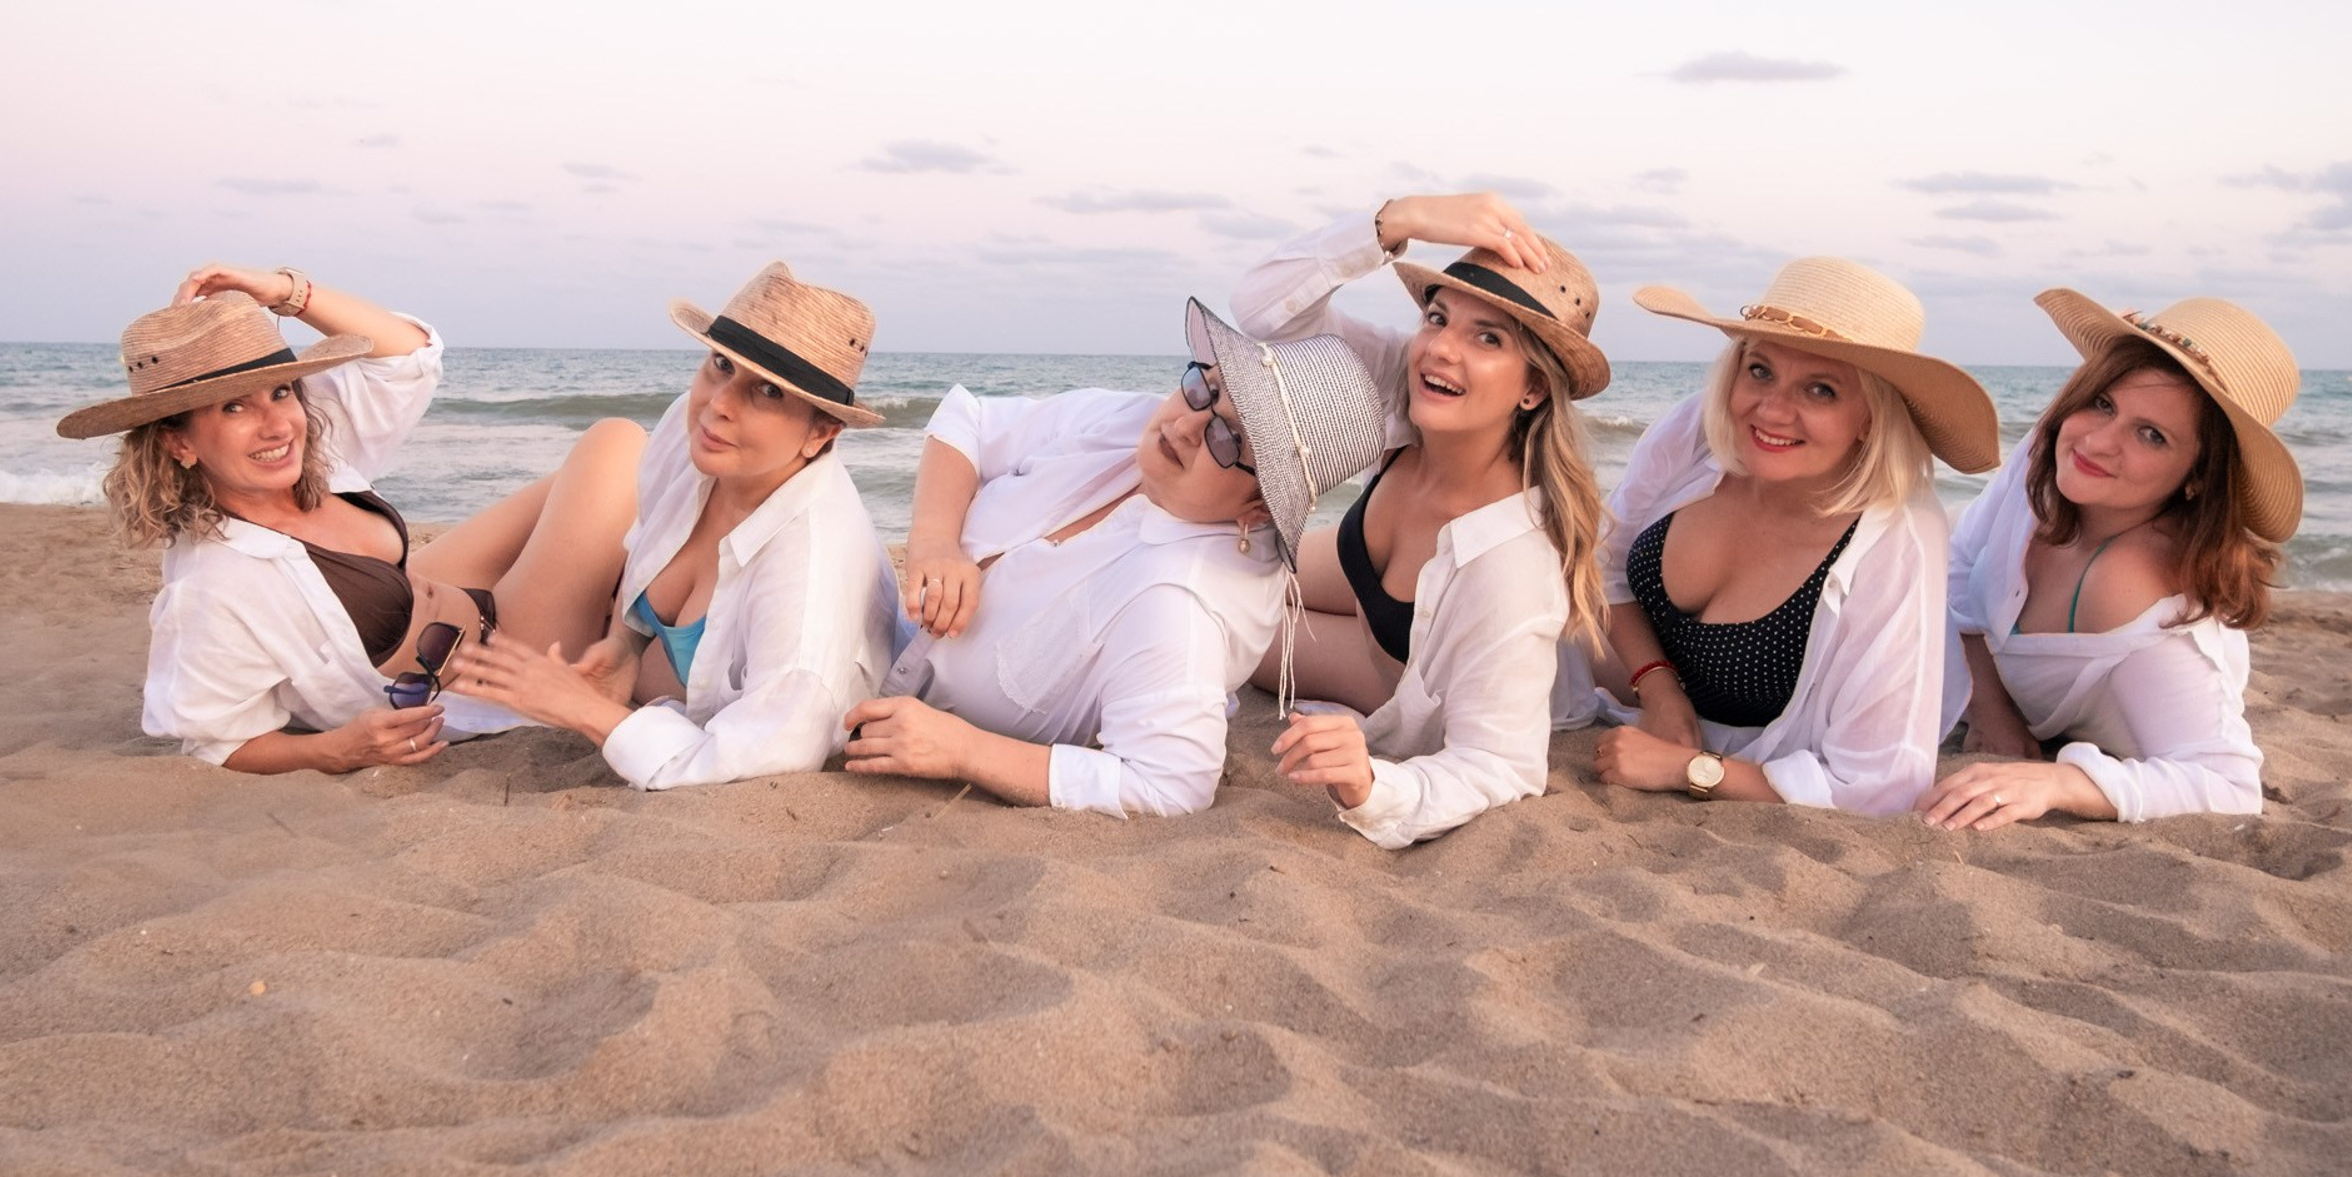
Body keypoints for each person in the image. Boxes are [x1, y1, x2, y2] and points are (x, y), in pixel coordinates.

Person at [60, 264, 643, 774]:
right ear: (178, 443)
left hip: (443, 596)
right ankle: (621, 624)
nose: (275, 426)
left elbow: (407, 352)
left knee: (605, 468)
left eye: (282, 392)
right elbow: (218, 742)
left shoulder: (306, 453)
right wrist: (334, 749)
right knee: (621, 447)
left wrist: (284, 290)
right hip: (501, 659)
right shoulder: (214, 586)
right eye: (233, 407)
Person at [838, 299, 1383, 817]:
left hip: (857, 695)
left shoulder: (1180, 601)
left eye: (1229, 439)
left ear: (1260, 510)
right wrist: (936, 539)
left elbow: (1168, 785)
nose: (1186, 425)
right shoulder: (1131, 424)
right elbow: (968, 421)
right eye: (1203, 389)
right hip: (862, 613)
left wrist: (963, 750)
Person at [1230, 192, 1610, 848]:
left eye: (1487, 337)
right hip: (1365, 579)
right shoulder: (1412, 390)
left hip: (1398, 671)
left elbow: (1501, 764)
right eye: (1439, 317)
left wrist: (1374, 788)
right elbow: (1260, 314)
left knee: (1232, 624)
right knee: (1222, 564)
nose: (1442, 349)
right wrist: (1397, 221)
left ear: (1533, 388)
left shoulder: (1511, 563)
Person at [457, 264, 901, 789]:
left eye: (769, 392)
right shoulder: (694, 437)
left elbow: (763, 756)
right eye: (720, 364)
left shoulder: (808, 576)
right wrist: (625, 645)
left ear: (821, 434)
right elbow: (648, 537)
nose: (718, 405)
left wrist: (587, 712)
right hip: (678, 686)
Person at [1590, 258, 2000, 814]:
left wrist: (1686, 769)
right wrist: (1658, 688)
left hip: (1735, 759)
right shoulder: (1698, 435)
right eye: (1760, 370)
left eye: (1821, 390)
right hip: (1614, 695)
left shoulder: (1893, 536)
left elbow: (1884, 781)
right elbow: (1605, 561)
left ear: (1871, 419)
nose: (1773, 410)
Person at [1918, 291, 2300, 829]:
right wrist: (1990, 707)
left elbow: (2229, 785)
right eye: (2103, 402)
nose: (2098, 442)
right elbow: (1956, 559)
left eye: (2151, 435)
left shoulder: (2143, 595)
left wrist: (2060, 781)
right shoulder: (2055, 461)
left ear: (2198, 476)